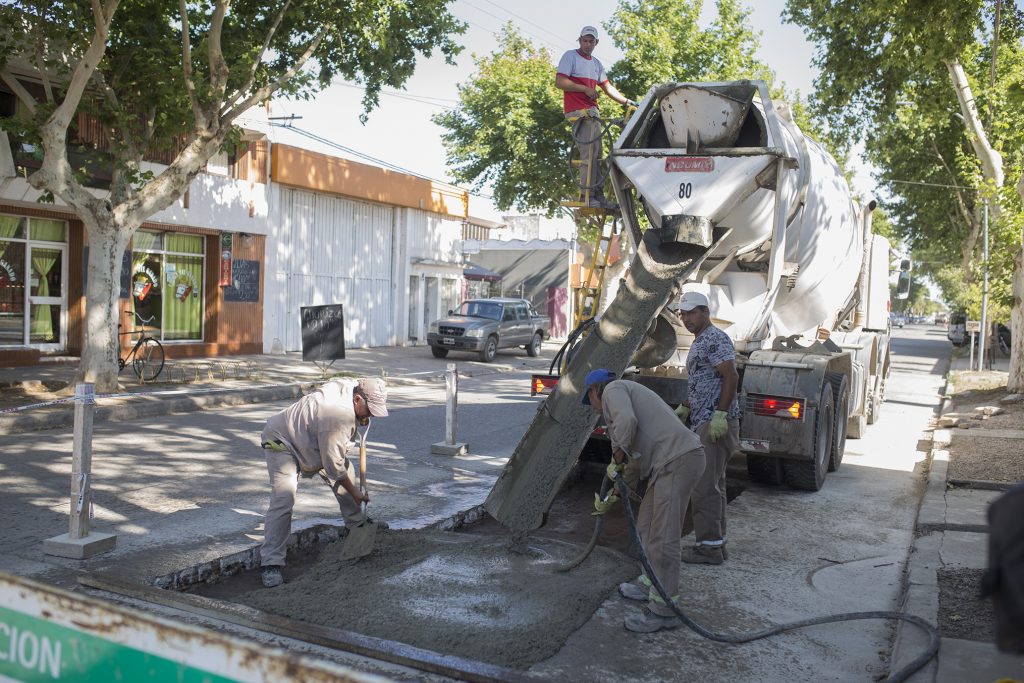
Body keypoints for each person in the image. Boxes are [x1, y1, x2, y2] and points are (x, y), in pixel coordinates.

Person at [582, 368, 706, 633]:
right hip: (668, 464)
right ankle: (650, 581)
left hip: (678, 460)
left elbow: (626, 423)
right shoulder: (623, 404)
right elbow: (633, 468)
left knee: (663, 538)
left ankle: (664, 610)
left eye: (589, 400)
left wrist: (616, 460)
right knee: (647, 526)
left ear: (595, 390)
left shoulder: (614, 391)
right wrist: (613, 494)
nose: (592, 409)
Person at [258, 377, 389, 588]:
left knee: (348, 471)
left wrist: (362, 416)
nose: (371, 415)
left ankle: (357, 525)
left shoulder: (354, 386)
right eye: (370, 409)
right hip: (283, 441)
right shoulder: (336, 418)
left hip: (311, 440)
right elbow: (333, 468)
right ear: (357, 399)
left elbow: (336, 463)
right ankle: (271, 563)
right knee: (284, 498)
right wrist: (355, 493)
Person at [672, 291, 740, 565]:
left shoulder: (715, 338)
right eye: (683, 314)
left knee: (703, 487)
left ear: (705, 312)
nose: (686, 318)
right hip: (703, 419)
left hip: (713, 423)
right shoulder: (700, 341)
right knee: (714, 485)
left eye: (691, 313)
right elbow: (703, 380)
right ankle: (716, 544)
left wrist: (720, 415)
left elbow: (731, 375)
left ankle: (708, 550)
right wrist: (687, 405)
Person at [555, 25, 635, 210]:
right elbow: (560, 81)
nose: (588, 44)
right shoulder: (570, 56)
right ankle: (587, 195)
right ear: (580, 40)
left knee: (598, 155)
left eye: (591, 41)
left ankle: (597, 195)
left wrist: (627, 102)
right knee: (589, 153)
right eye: (585, 40)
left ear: (596, 43)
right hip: (579, 112)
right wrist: (584, 88)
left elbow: (608, 88)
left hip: (592, 113)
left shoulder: (597, 64)